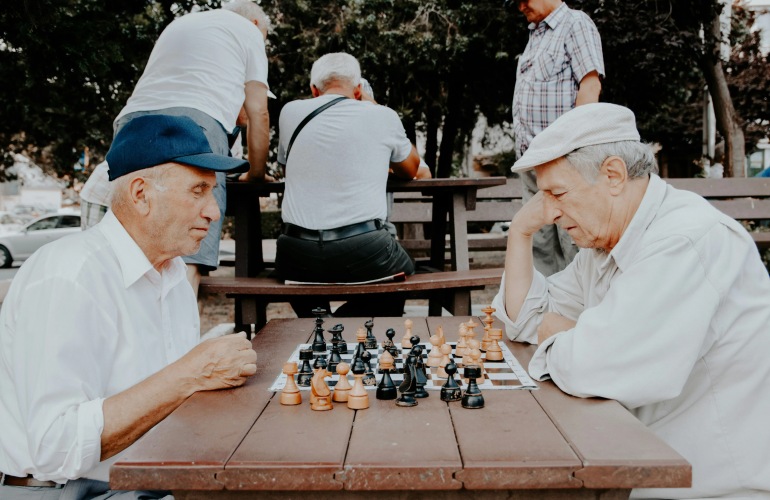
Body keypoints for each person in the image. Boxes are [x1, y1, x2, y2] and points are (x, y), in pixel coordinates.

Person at [492, 103, 770, 499]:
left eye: (558, 193)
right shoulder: (605, 244)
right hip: (638, 467)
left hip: (709, 486)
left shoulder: (684, 241)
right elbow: (525, 321)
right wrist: (519, 232)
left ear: (613, 175)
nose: (549, 212)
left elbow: (595, 367)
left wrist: (566, 333)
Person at [0, 115, 258, 498]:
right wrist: (190, 374)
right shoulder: (70, 276)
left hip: (146, 482)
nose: (213, 212)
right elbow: (55, 446)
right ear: (141, 194)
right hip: (63, 491)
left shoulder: (172, 276)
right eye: (198, 191)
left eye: (212, 192)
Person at [90, 0, 273, 296]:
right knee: (191, 240)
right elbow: (258, 112)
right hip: (195, 121)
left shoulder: (183, 23)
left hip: (131, 121)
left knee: (132, 243)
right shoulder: (248, 31)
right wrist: (255, 173)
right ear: (256, 25)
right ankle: (182, 339)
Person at [274, 52, 421, 317]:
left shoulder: (289, 112)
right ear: (358, 90)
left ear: (313, 90)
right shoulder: (381, 115)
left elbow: (288, 166)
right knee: (404, 271)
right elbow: (410, 169)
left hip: (295, 252)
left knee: (295, 271)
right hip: (364, 247)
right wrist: (373, 104)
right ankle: (340, 324)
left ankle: (316, 320)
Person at [511, 0, 604, 276]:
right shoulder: (536, 33)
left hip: (563, 158)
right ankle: (544, 314)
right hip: (531, 160)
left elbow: (590, 85)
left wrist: (573, 150)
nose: (520, 6)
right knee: (539, 244)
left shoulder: (575, 23)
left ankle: (578, 315)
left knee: (573, 240)